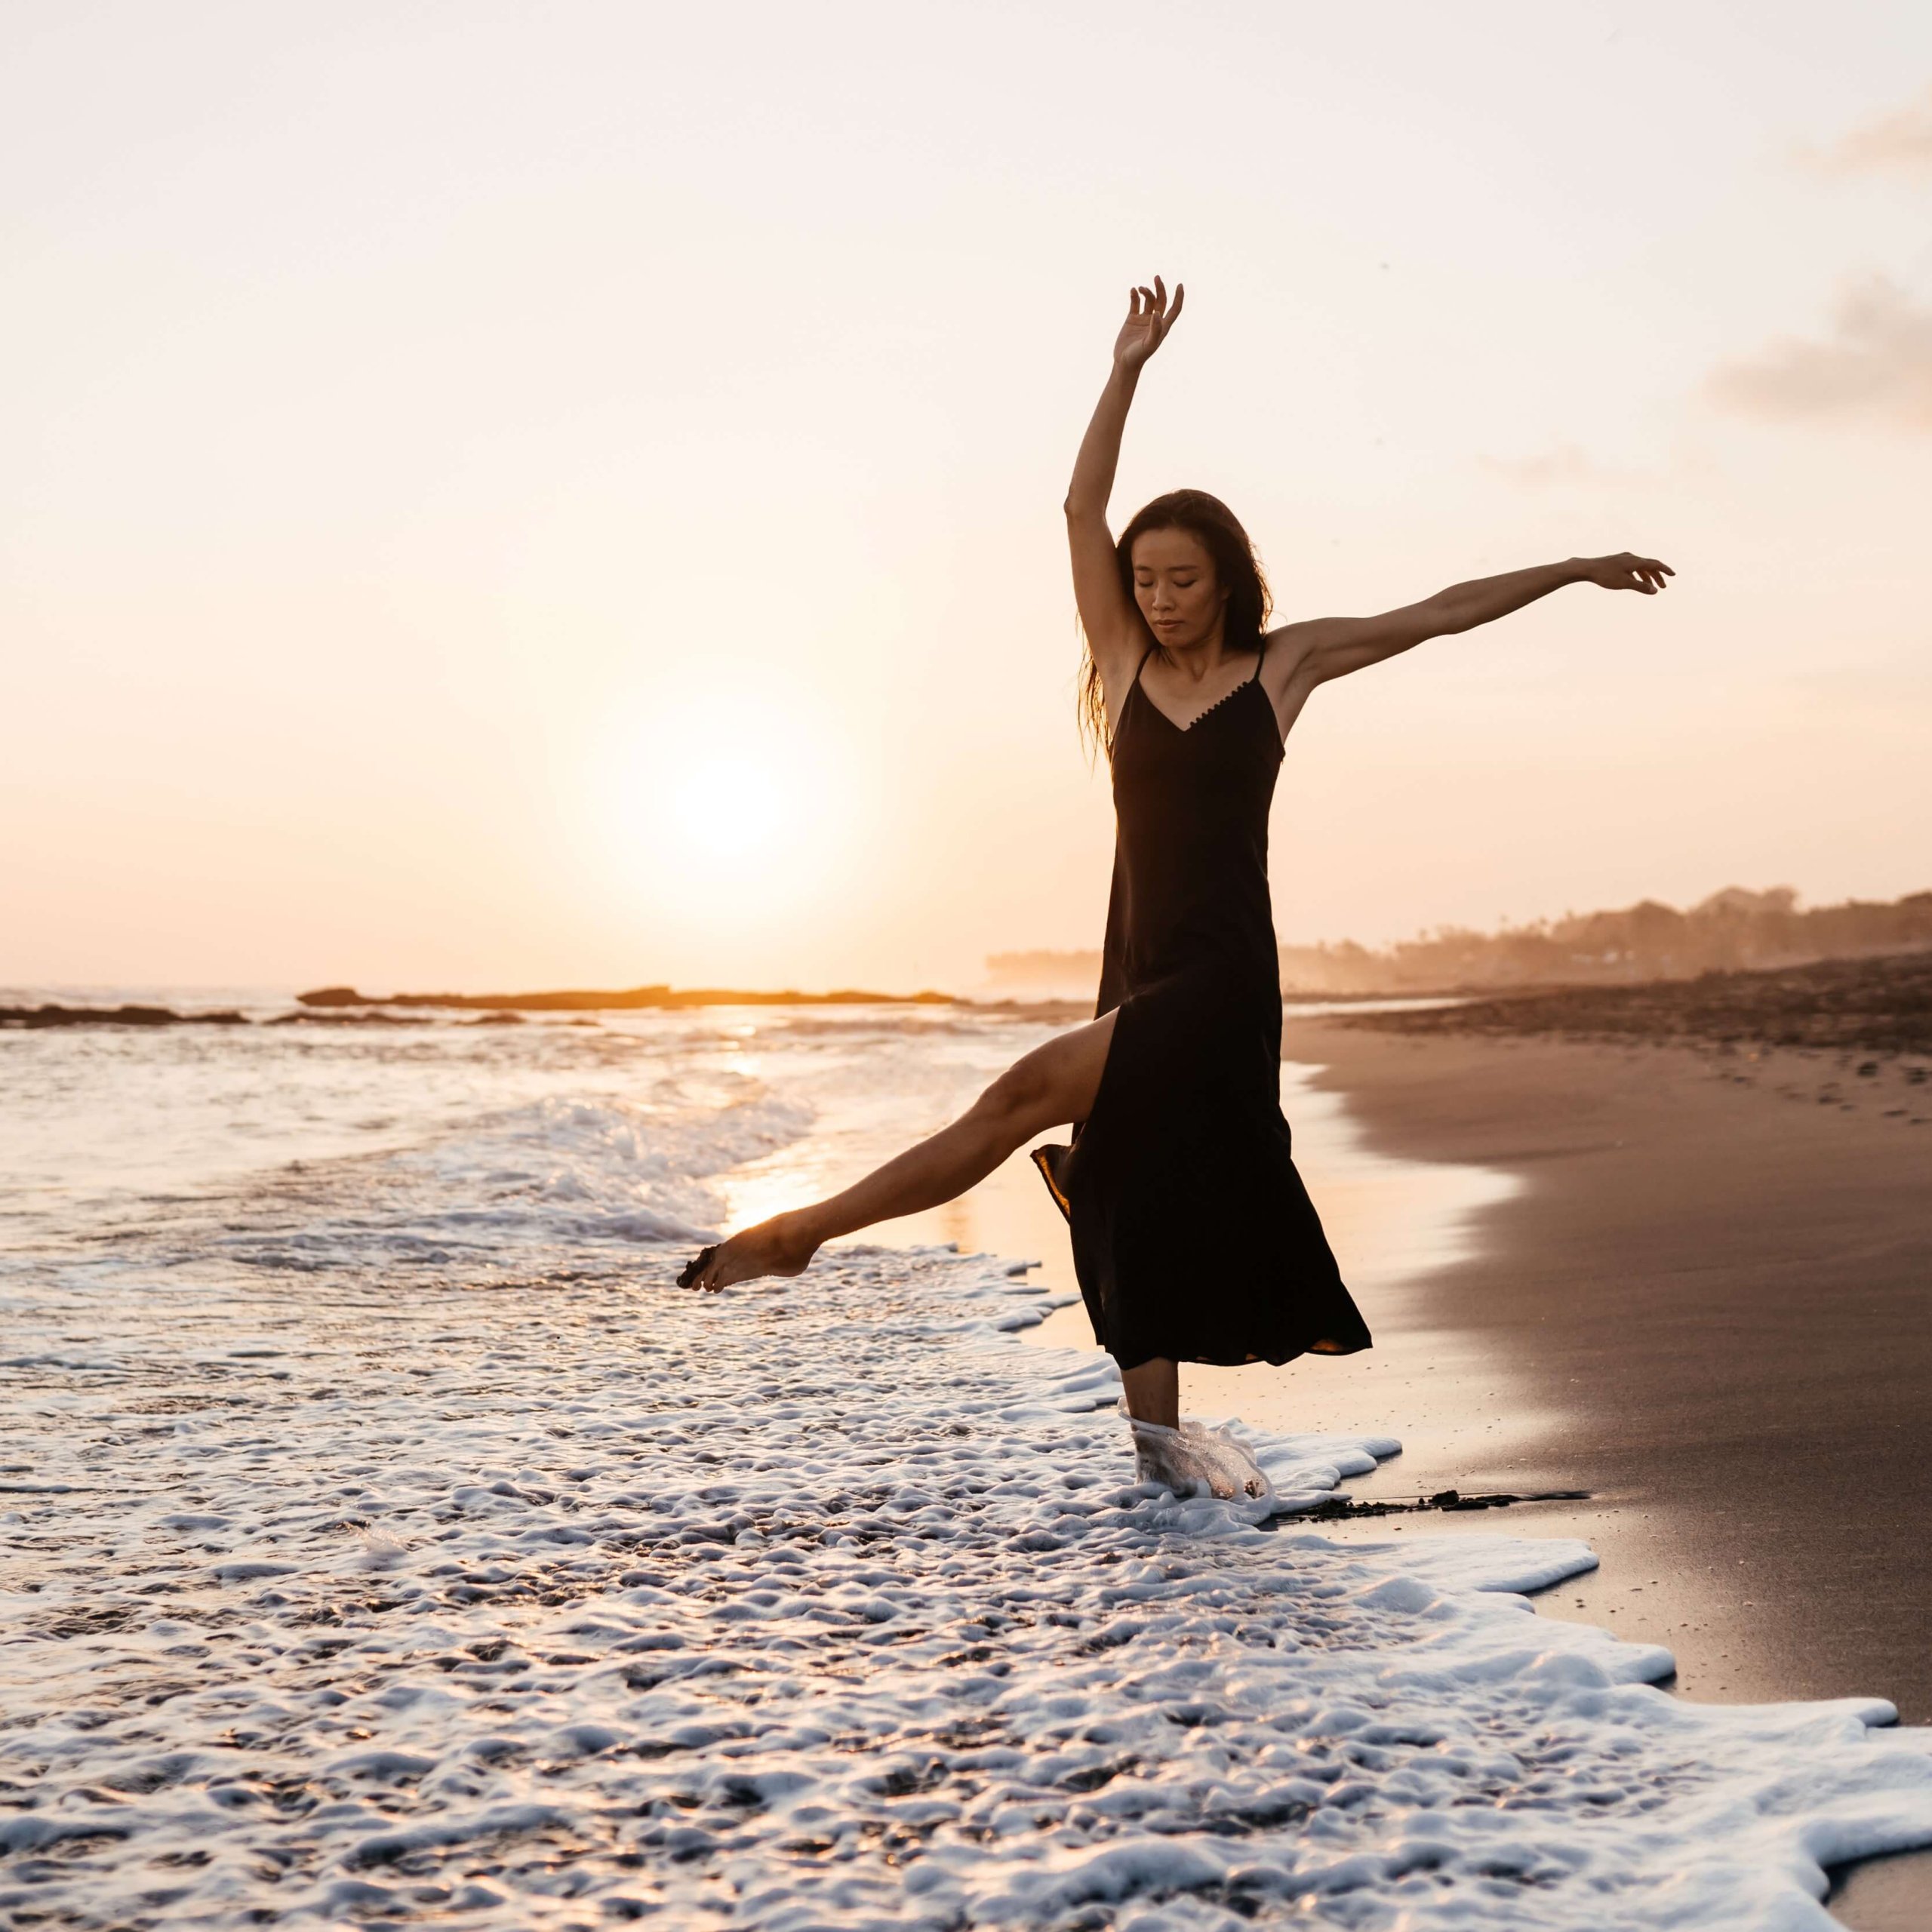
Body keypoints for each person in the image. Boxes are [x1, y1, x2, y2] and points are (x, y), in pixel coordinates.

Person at [680, 277, 1672, 1494]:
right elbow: (1078, 503)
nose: (1155, 593)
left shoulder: (1282, 669)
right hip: (1141, 964)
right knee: (1131, 1192)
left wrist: (1577, 565)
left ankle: (800, 1235)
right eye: (1143, 577)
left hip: (1221, 980)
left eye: (1179, 578)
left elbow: (1442, 613)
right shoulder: (1120, 664)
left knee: (1017, 1094)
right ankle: (1158, 1466)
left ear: (1226, 580)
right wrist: (1126, 369)